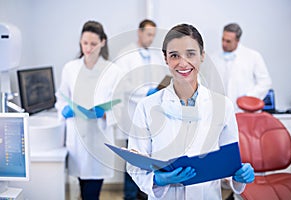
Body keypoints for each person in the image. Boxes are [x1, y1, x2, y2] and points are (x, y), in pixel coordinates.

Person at [127, 24, 254, 199]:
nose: (183, 62)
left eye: (190, 54)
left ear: (202, 56)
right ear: (166, 59)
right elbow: (134, 164)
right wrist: (156, 180)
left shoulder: (223, 106)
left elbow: (229, 164)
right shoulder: (147, 107)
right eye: (174, 55)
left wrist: (238, 175)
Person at [55, 21, 121, 200]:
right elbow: (61, 97)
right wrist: (64, 109)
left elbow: (121, 107)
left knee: (91, 191)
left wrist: (105, 113)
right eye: (85, 43)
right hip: (76, 138)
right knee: (83, 186)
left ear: (103, 42)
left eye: (93, 44)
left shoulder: (112, 71)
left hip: (98, 139)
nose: (88, 48)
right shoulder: (70, 68)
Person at [114, 19, 168, 200]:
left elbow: (157, 80)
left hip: (151, 113)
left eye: (153, 35)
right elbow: (122, 84)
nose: (151, 38)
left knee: (148, 154)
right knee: (133, 156)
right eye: (148, 34)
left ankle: (143, 193)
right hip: (131, 111)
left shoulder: (153, 56)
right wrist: (146, 92)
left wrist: (157, 90)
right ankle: (129, 196)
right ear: (139, 32)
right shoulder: (126, 54)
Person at [211, 23, 272, 112]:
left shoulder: (253, 56)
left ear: (237, 41)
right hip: (222, 111)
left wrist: (249, 97)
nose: (224, 44)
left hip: (245, 110)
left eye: (228, 41)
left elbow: (265, 82)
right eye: (222, 39)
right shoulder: (214, 58)